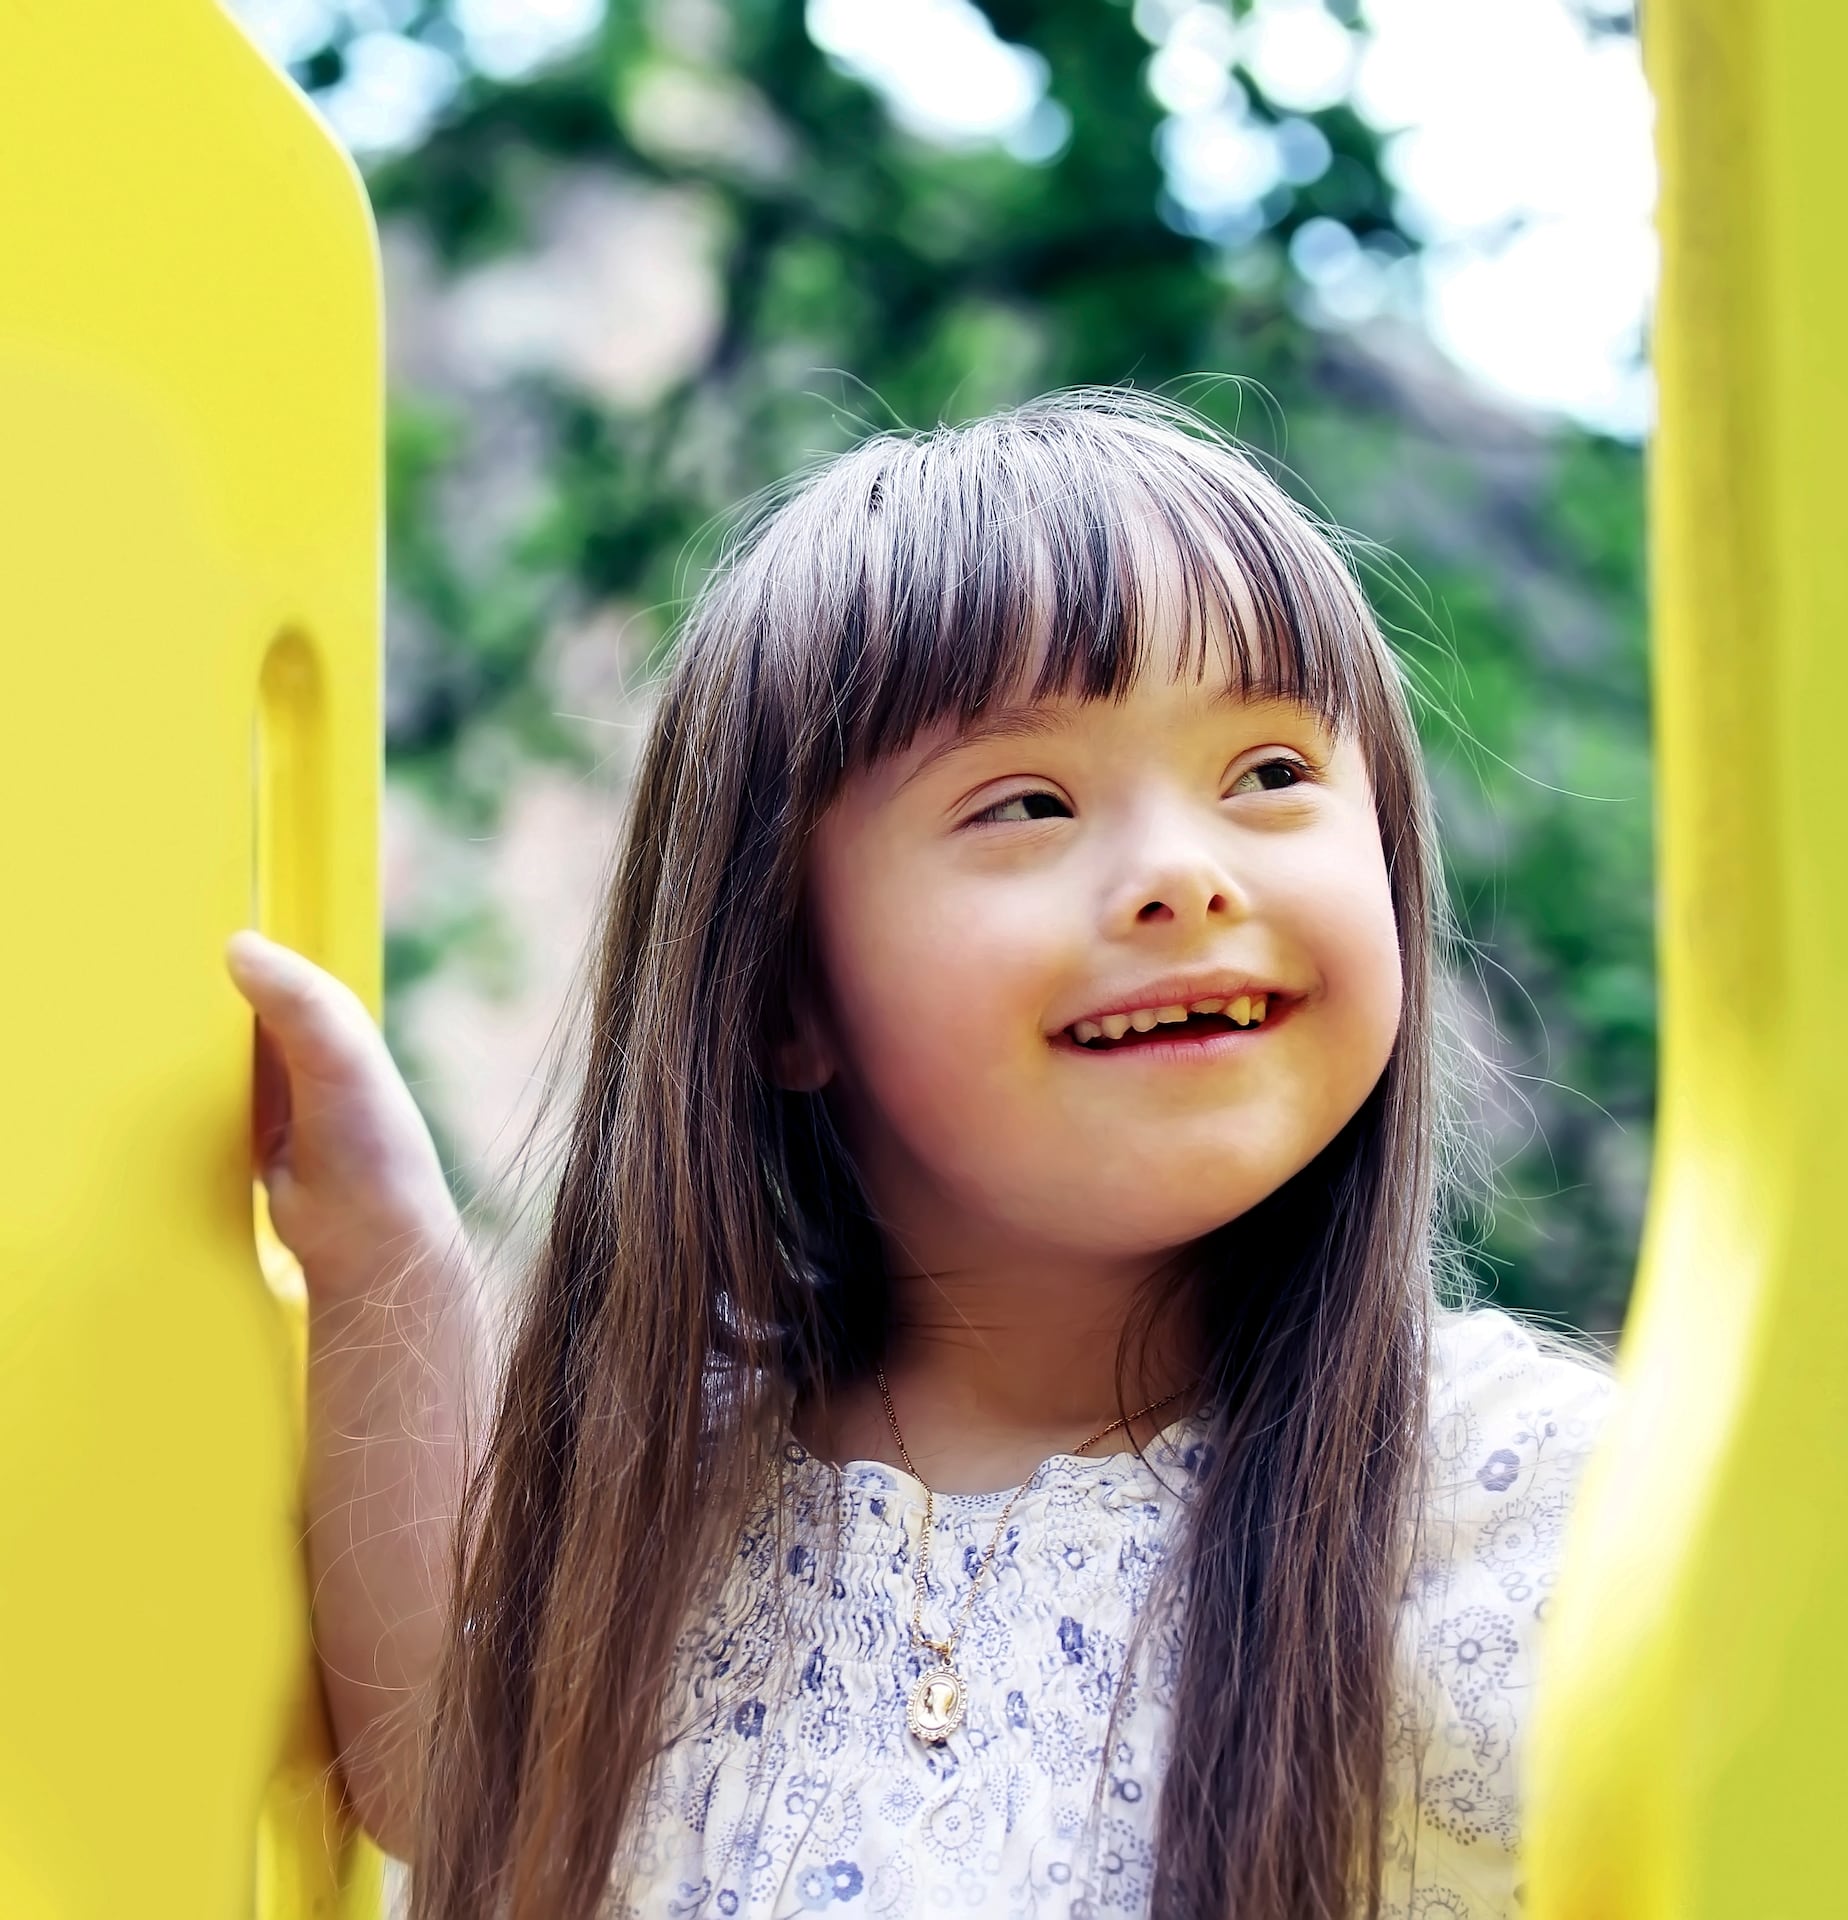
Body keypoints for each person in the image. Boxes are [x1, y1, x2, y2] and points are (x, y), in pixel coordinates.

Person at [228, 394, 1615, 1920]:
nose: (1183, 873)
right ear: (785, 992)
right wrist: (382, 1254)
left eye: (1272, 774)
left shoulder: (1533, 1504)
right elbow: (450, 1781)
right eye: (1028, 802)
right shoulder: (678, 1494)